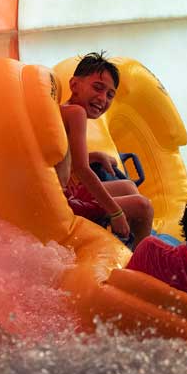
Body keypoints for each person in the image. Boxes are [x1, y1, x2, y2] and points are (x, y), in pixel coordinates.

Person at [56, 52, 154, 248]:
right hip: (65, 204)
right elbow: (82, 169)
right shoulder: (77, 114)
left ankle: (129, 243)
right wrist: (115, 212)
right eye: (98, 88)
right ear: (74, 84)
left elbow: (64, 160)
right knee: (144, 206)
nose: (103, 98)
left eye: (110, 94)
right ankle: (140, 258)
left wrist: (96, 156)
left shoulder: (65, 110)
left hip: (67, 195)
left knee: (127, 186)